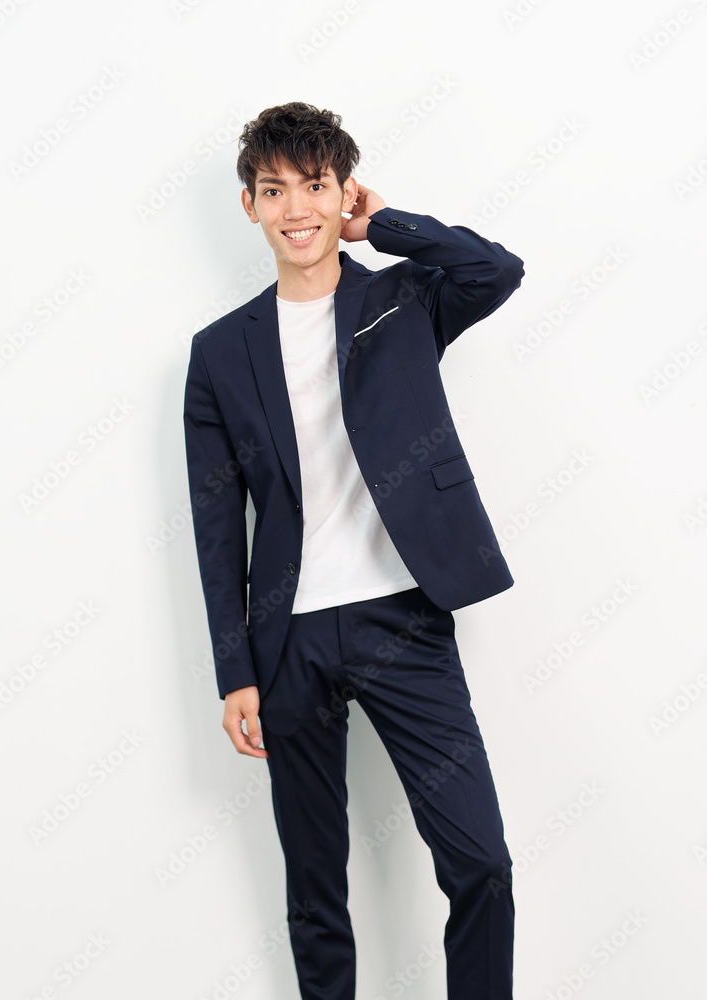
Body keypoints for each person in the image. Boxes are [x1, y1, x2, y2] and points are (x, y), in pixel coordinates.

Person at [183, 100, 525, 1000]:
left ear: (343, 192)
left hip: (403, 617)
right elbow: (216, 529)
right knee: (314, 889)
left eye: (315, 185)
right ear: (249, 205)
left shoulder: (402, 300)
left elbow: (497, 270)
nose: (296, 208)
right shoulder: (219, 354)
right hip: (287, 639)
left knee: (481, 863)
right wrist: (235, 673)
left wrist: (388, 226)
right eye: (274, 190)